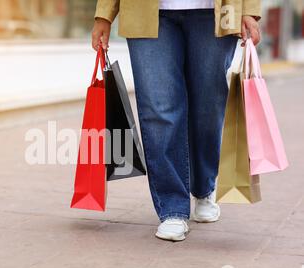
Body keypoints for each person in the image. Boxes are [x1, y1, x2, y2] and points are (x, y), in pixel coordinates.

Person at [92, 0, 262, 241]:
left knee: (207, 108)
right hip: (145, 11)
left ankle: (204, 187)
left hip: (214, 12)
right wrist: (104, 14)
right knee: (159, 107)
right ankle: (172, 208)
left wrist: (250, 11)